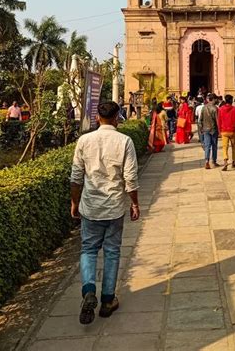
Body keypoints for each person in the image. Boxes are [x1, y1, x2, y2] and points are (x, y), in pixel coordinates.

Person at [70, 101, 139, 325]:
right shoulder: (125, 141)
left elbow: (75, 178)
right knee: (111, 252)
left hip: (90, 206)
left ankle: (89, 290)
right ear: (118, 116)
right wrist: (135, 204)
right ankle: (108, 300)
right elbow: (130, 179)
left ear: (97, 118)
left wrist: (74, 202)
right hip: (114, 207)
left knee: (89, 249)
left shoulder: (84, 140)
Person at [218, 94, 235, 171]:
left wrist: (219, 130)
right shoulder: (234, 109)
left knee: (225, 147)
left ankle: (225, 161)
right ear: (231, 100)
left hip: (224, 130)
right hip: (232, 130)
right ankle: (233, 162)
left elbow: (219, 121)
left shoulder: (221, 109)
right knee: (234, 147)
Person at [199, 94, 219, 169]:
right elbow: (217, 121)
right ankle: (214, 161)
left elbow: (200, 119)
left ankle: (207, 161)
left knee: (207, 145)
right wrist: (219, 130)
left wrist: (201, 128)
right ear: (213, 99)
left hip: (205, 129)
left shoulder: (204, 107)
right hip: (213, 129)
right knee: (214, 145)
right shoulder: (215, 108)